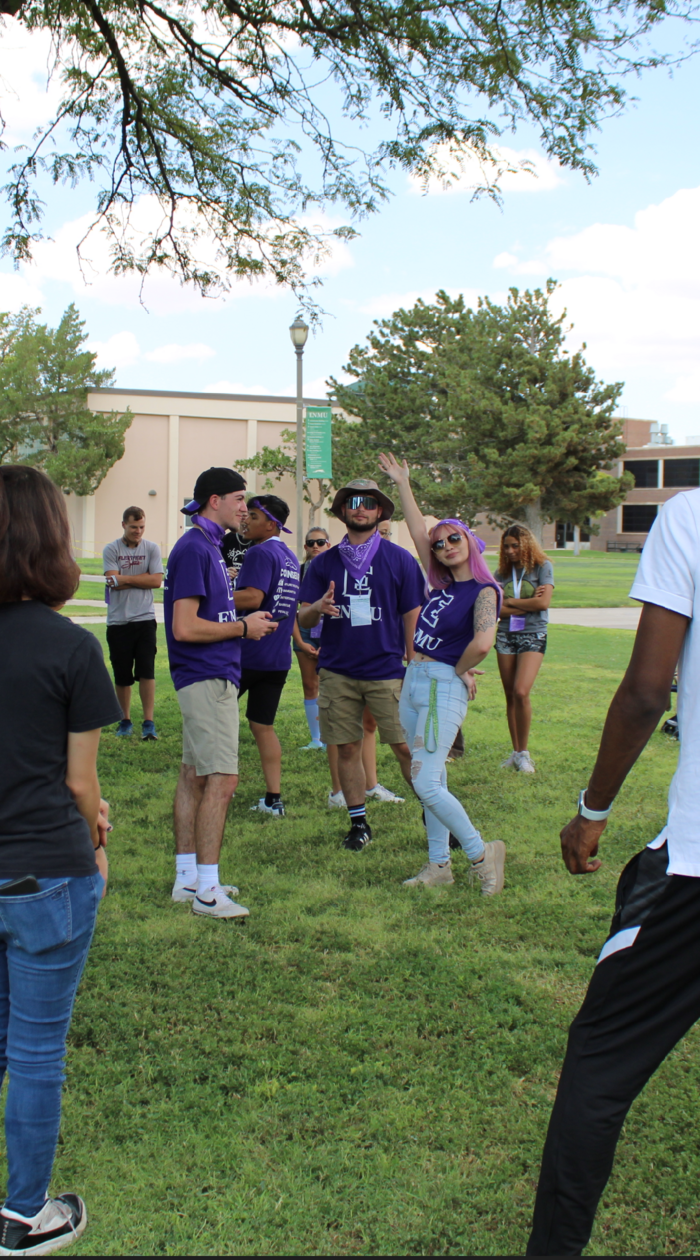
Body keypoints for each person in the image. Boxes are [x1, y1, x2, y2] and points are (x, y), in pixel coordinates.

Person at [526, 490, 700, 1256]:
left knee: (599, 1064)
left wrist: (591, 807)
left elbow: (644, 691)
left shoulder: (689, 515)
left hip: (695, 872)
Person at [0, 465, 120, 1256]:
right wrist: (100, 838)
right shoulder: (74, 648)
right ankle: (24, 1216)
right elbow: (82, 784)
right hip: (48, 872)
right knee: (37, 1049)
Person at [378, 452, 505, 892]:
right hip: (414, 681)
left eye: (453, 539)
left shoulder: (484, 591)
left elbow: (484, 642)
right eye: (439, 544)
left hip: (440, 688)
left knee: (425, 782)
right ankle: (438, 868)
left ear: (470, 540)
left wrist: (462, 668)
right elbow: (417, 531)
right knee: (433, 779)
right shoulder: (443, 586)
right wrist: (402, 483)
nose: (445, 546)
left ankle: (480, 854)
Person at [164, 467, 277, 919]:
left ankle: (187, 878)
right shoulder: (194, 548)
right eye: (238, 499)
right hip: (205, 676)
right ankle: (209, 892)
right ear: (214, 500)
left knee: (194, 775)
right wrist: (243, 627)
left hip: (211, 675)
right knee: (223, 779)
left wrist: (244, 627)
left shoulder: (208, 545)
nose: (244, 508)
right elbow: (184, 626)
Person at [298, 477, 424, 851]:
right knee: (347, 748)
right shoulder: (324, 563)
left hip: (387, 671)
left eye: (369, 502)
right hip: (337, 671)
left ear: (380, 511)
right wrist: (317, 609)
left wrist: (414, 664)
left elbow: (412, 615)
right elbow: (303, 618)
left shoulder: (399, 559)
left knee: (404, 748)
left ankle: (435, 815)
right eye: (353, 501)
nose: (361, 507)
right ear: (341, 511)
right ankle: (358, 823)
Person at [233, 495, 301, 818]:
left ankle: (208, 784)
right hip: (277, 659)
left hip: (246, 653)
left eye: (254, 516)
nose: (245, 519)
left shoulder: (259, 552)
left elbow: (252, 597)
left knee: (213, 719)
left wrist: (212, 593)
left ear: (272, 524)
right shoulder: (289, 556)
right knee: (263, 727)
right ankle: (274, 799)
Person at [494, 524, 554, 774]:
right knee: (509, 695)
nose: (509, 550)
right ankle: (516, 753)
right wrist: (526, 605)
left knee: (521, 691)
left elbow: (543, 602)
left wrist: (511, 602)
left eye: (515, 545)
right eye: (506, 546)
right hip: (506, 634)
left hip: (533, 634)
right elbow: (495, 608)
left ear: (526, 545)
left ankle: (525, 753)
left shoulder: (542, 567)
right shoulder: (501, 573)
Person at [103, 506, 164, 740]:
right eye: (133, 527)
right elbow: (111, 581)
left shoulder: (151, 548)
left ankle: (149, 723)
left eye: (141, 527)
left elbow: (156, 581)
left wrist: (123, 579)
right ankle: (125, 721)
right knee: (122, 674)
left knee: (147, 672)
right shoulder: (111, 549)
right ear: (123, 525)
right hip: (118, 621)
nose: (138, 531)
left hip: (145, 619)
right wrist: (142, 579)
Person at [293, 526, 331, 751]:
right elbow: (290, 611)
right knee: (310, 684)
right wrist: (300, 642)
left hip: (333, 632)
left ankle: (330, 738)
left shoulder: (338, 568)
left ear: (329, 544)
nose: (315, 546)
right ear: (306, 547)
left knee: (333, 686)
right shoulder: (299, 571)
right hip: (305, 632)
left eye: (320, 542)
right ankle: (316, 739)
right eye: (311, 543)